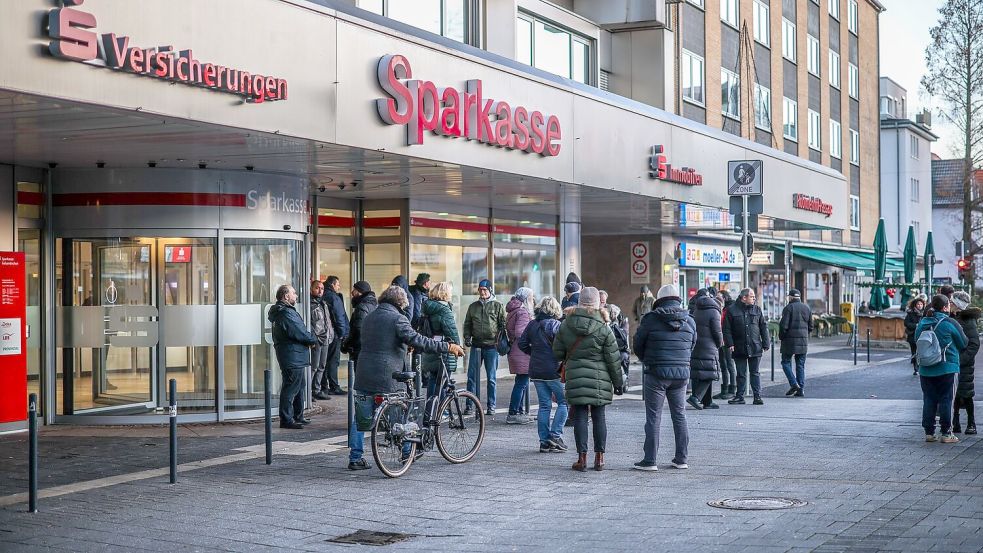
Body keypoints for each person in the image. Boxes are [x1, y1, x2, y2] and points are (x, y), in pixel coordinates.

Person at [347, 285, 465, 470]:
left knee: (361, 418)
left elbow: (381, 341)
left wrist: (402, 346)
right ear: (400, 302)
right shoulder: (397, 318)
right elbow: (418, 340)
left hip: (363, 373)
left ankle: (355, 457)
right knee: (401, 414)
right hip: (388, 376)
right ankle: (407, 452)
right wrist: (448, 347)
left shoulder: (370, 317)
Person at [554, 287, 623, 472]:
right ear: (597, 303)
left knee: (580, 417)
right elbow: (613, 358)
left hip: (576, 377)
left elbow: (557, 352)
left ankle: (581, 459)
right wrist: (618, 383)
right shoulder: (604, 327)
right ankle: (600, 459)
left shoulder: (566, 324)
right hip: (600, 380)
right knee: (599, 417)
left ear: (579, 302)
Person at [632, 285, 696, 471]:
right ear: (677, 298)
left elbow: (638, 344)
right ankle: (681, 458)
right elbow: (693, 343)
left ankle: (650, 460)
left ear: (659, 299)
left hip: (656, 373)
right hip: (681, 374)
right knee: (680, 415)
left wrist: (647, 360)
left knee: (653, 416)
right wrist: (682, 361)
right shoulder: (689, 320)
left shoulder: (651, 319)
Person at [914, 294, 967, 444]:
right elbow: (963, 342)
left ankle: (929, 433)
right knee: (946, 399)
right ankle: (946, 433)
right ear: (945, 307)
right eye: (949, 305)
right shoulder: (949, 323)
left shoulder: (923, 322)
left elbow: (916, 340)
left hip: (925, 368)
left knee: (929, 399)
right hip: (947, 367)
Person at [519, 296, 567, 452]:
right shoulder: (556, 325)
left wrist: (534, 353)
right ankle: (555, 435)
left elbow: (522, 344)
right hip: (553, 370)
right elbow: (563, 347)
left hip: (536, 370)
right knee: (564, 402)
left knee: (544, 405)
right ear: (555, 310)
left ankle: (544, 441)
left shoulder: (532, 324)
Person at [268, 284, 318, 429]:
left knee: (299, 385)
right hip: (292, 355)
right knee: (291, 387)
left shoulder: (283, 311)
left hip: (293, 354)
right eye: (294, 293)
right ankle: (286, 419)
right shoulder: (286, 313)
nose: (296, 296)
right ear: (286, 296)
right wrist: (312, 339)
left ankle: (297, 415)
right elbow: (299, 332)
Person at [463, 279, 506, 416]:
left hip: (491, 346)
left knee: (491, 378)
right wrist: (467, 337)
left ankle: (491, 405)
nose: (482, 292)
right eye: (480, 290)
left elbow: (502, 324)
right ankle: (470, 405)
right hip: (476, 345)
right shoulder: (473, 306)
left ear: (490, 290)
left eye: (485, 290)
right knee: (471, 377)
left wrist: (499, 340)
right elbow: (467, 324)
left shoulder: (497, 305)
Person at [723, 288, 770, 406]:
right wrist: (730, 343)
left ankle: (757, 396)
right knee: (741, 373)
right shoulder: (731, 310)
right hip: (739, 347)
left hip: (755, 346)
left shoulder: (757, 309)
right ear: (744, 298)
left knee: (755, 372)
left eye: (754, 296)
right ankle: (739, 396)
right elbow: (726, 329)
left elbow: (763, 327)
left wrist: (766, 343)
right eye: (752, 296)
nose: (754, 298)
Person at [419, 281, 460, 399]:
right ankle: (441, 411)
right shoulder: (444, 309)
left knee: (433, 378)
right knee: (443, 380)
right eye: (450, 291)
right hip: (444, 348)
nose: (451, 294)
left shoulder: (427, 307)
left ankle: (430, 408)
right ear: (445, 293)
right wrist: (458, 346)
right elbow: (451, 331)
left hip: (430, 345)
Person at [687, 289, 722, 411]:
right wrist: (719, 343)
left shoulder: (696, 309)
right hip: (709, 345)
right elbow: (717, 331)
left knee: (701, 373)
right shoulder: (714, 311)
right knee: (711, 373)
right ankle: (695, 397)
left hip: (697, 344)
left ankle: (707, 401)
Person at [505, 287, 535, 424]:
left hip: (516, 351)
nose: (532, 300)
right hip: (522, 352)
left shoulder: (514, 310)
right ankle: (513, 413)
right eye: (530, 297)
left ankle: (519, 412)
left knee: (521, 382)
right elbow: (520, 332)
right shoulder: (522, 312)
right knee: (521, 383)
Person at [951, 292, 979, 435]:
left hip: (964, 363)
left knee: (967, 394)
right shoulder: (952, 318)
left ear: (958, 305)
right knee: (954, 394)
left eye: (952, 302)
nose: (950, 304)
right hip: (954, 361)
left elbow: (974, 344)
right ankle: (955, 423)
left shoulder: (968, 320)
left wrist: (961, 359)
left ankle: (971, 423)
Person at [778, 289, 813, 398]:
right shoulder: (807, 308)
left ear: (791, 297)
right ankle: (800, 389)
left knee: (785, 362)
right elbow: (811, 326)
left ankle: (794, 384)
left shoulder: (788, 308)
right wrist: (804, 334)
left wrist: (781, 337)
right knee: (800, 365)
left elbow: (783, 326)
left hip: (789, 341)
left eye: (788, 296)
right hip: (803, 341)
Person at [321, 276, 350, 396]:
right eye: (338, 284)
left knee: (324, 361)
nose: (339, 287)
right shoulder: (334, 297)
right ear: (333, 284)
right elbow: (339, 317)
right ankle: (334, 386)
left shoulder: (324, 295)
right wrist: (343, 333)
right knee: (333, 361)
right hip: (335, 333)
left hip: (325, 333)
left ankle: (324, 386)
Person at [309, 280, 335, 401]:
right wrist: (313, 339)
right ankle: (307, 392)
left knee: (321, 366)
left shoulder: (323, 303)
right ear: (311, 289)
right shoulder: (309, 304)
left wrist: (331, 335)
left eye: (322, 288)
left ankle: (316, 390)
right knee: (313, 367)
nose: (320, 291)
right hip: (316, 340)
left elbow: (327, 321)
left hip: (326, 338)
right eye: (317, 288)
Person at [342, 281, 376, 365]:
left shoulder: (361, 307)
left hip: (360, 347)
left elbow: (357, 329)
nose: (352, 292)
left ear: (360, 292)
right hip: (371, 345)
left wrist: (346, 344)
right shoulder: (374, 305)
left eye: (354, 289)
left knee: (358, 372)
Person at [714, 291, 738, 400]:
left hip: (727, 341)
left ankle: (732, 389)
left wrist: (730, 341)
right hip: (721, 340)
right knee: (723, 365)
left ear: (724, 297)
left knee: (729, 365)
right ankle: (724, 389)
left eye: (719, 296)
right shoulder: (722, 308)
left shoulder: (730, 308)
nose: (717, 298)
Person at [608, 304, 631, 386]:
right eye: (611, 313)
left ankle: (626, 377)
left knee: (624, 356)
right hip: (609, 349)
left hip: (620, 349)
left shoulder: (622, 321)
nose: (613, 315)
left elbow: (624, 336)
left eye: (614, 313)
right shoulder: (605, 321)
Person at [904, 295, 927, 376]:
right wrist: (916, 325)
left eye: (921, 304)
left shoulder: (925, 313)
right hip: (912, 336)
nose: (920, 306)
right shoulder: (910, 313)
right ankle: (916, 368)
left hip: (923, 336)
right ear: (915, 305)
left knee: (921, 352)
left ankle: (921, 367)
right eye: (918, 304)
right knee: (914, 352)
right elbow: (906, 323)